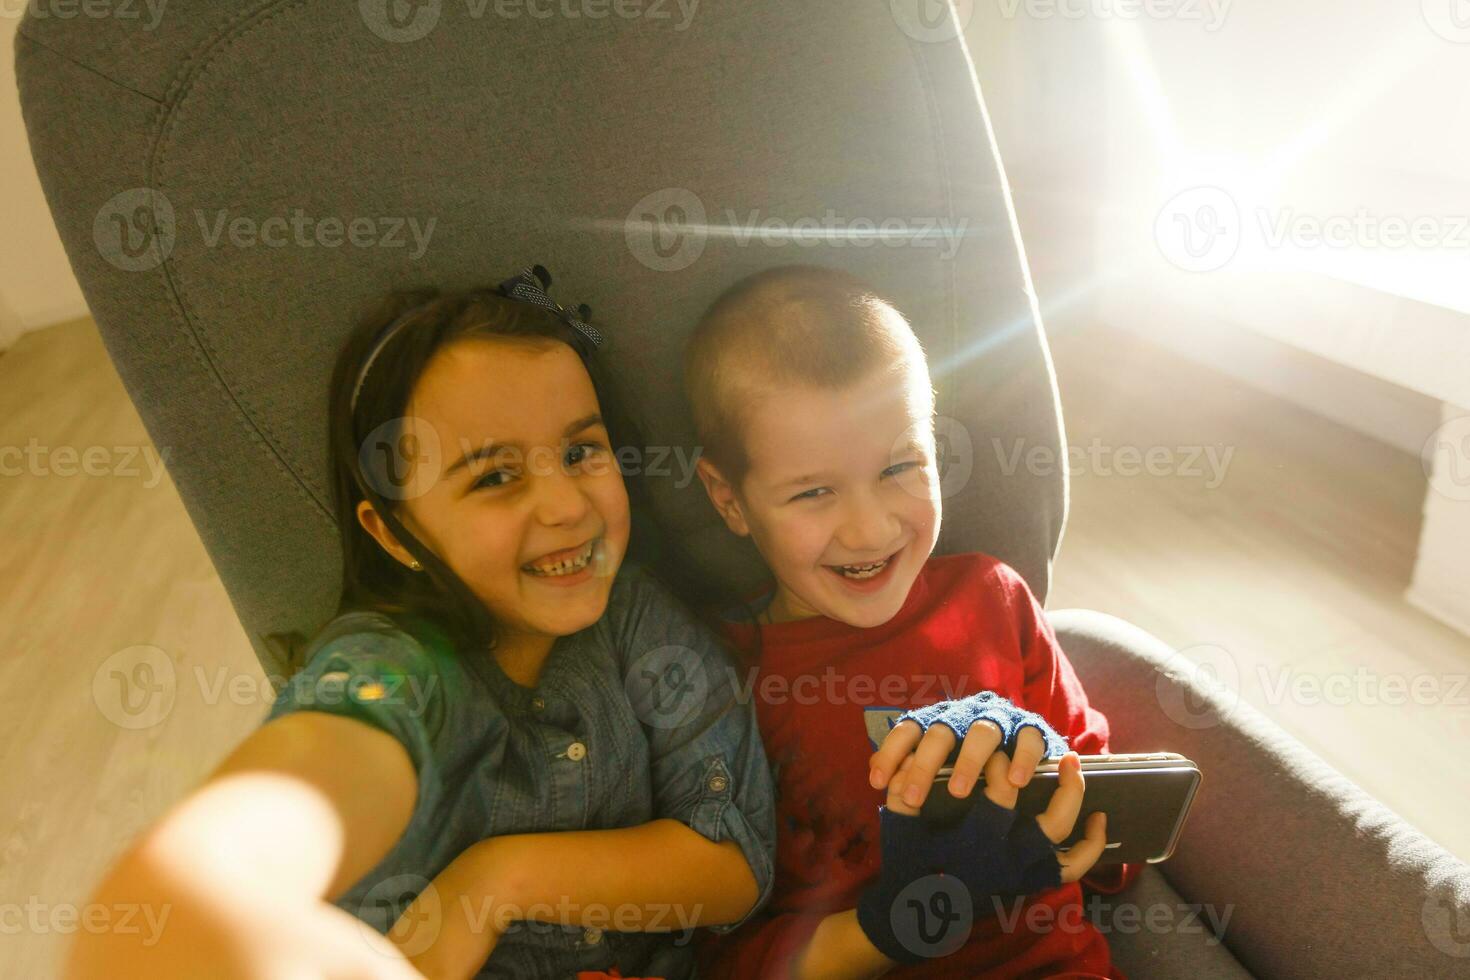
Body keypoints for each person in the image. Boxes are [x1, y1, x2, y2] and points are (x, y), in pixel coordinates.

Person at [65, 268, 778, 980]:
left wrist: (495, 882)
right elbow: (321, 764)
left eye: (579, 452)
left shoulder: (635, 617)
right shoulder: (396, 668)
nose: (567, 506)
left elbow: (733, 867)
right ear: (397, 535)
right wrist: (208, 890)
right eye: (495, 478)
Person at [684, 265, 1144, 979]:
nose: (869, 532)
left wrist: (1049, 764)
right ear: (729, 500)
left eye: (901, 467)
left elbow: (1123, 853)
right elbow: (718, 961)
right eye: (812, 492)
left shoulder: (993, 597)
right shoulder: (713, 682)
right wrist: (899, 919)